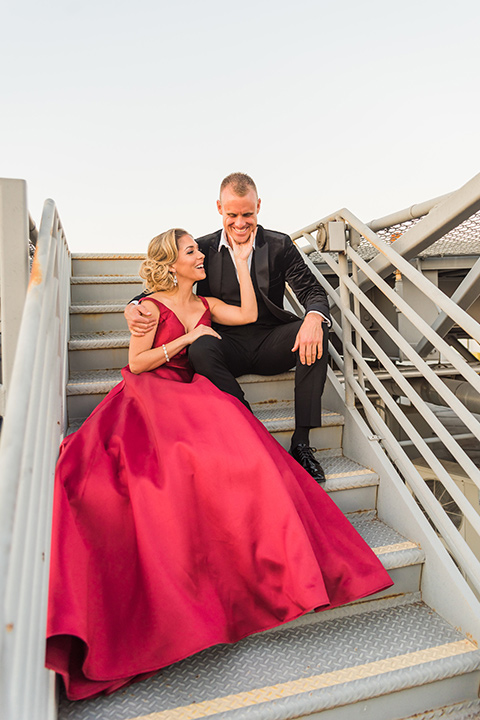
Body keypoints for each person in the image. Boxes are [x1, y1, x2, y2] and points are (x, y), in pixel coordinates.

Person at [46, 228, 393, 701]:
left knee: (230, 437)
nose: (202, 257)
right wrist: (187, 337)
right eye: (192, 253)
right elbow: (139, 363)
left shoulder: (206, 301)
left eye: (198, 250)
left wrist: (247, 272)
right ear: (174, 261)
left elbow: (249, 314)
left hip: (194, 384)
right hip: (152, 391)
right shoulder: (147, 306)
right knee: (178, 461)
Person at [125, 173, 330, 483]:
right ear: (219, 208)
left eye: (247, 214)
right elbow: (166, 286)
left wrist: (314, 317)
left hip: (270, 340)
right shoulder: (202, 248)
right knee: (200, 346)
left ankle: (301, 443)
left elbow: (312, 291)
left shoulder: (278, 244)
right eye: (232, 214)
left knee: (317, 331)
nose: (239, 223)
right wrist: (133, 305)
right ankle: (250, 425)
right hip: (224, 344)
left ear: (258, 206)